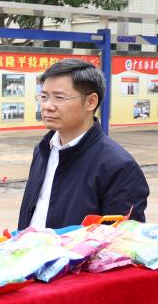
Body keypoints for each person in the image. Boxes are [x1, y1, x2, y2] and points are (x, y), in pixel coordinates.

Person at [18, 59, 148, 229]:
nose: (47, 106)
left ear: (91, 102)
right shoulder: (43, 150)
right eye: (44, 97)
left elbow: (122, 239)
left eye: (59, 98)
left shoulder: (119, 167)